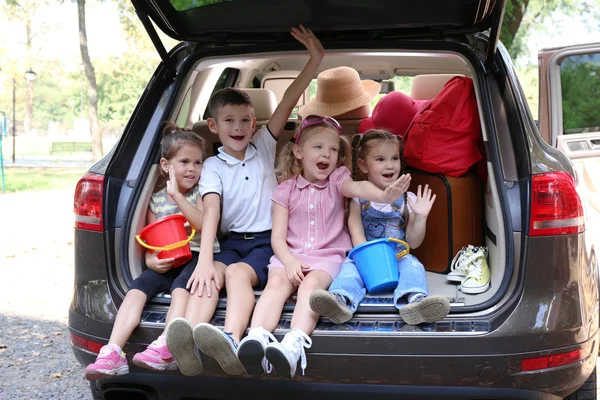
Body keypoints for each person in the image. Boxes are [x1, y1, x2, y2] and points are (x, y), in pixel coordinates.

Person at [165, 25, 325, 377]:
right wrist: (206, 261)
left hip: (266, 241)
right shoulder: (210, 166)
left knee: (236, 273)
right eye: (229, 121)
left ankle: (231, 338)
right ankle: (185, 342)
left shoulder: (265, 145)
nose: (238, 127)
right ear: (213, 125)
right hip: (229, 242)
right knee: (209, 279)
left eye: (244, 120)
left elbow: (287, 100)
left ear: (255, 123)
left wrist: (315, 60)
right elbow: (211, 213)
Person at [235, 116, 410, 378]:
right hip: (290, 255)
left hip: (327, 257)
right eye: (318, 147)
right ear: (298, 152)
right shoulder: (285, 190)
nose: (326, 154)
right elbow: (278, 239)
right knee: (276, 283)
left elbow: (359, 186)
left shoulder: (339, 179)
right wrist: (290, 262)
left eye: (332, 149)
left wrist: (383, 195)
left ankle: (293, 344)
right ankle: (257, 337)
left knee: (310, 285)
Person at [85, 122, 219, 380]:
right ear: (167, 165)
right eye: (184, 162)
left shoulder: (200, 193)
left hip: (197, 255)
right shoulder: (156, 199)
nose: (192, 168)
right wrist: (150, 259)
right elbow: (150, 236)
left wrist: (178, 197)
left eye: (198, 163)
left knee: (181, 289)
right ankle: (112, 352)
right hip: (167, 259)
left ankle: (166, 345)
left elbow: (203, 224)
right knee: (136, 289)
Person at [309, 129, 450, 326]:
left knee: (413, 266)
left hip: (397, 257)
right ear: (363, 165)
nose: (390, 165)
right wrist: (370, 262)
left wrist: (420, 217)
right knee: (348, 271)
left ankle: (415, 302)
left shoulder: (407, 199)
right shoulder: (358, 198)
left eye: (394, 158)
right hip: (364, 256)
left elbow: (413, 241)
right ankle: (340, 301)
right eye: (380, 159)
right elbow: (356, 231)